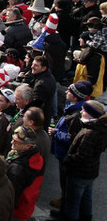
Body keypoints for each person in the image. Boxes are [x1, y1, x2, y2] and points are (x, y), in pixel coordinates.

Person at [58, 100, 107, 221]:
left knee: (72, 204)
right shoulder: (100, 129)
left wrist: (67, 159)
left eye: (84, 110)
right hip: (90, 172)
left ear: (90, 114)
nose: (81, 112)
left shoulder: (90, 133)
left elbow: (81, 157)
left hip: (78, 174)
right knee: (86, 199)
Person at [48, 81, 92, 212]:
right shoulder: (71, 106)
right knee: (66, 185)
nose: (66, 92)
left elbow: (72, 139)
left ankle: (66, 209)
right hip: (63, 153)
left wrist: (56, 133)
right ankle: (64, 202)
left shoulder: (77, 115)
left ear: (75, 96)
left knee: (69, 186)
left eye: (69, 91)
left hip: (67, 155)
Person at [6, 126, 44, 221]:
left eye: (17, 142)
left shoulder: (18, 169)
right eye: (13, 139)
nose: (12, 142)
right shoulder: (37, 157)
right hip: (27, 206)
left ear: (28, 146)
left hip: (17, 211)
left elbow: (11, 195)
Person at [22, 55, 56, 130]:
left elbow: (36, 105)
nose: (32, 67)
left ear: (44, 68)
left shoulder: (41, 85)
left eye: (36, 65)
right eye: (32, 64)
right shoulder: (48, 76)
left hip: (37, 121)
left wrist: (23, 112)